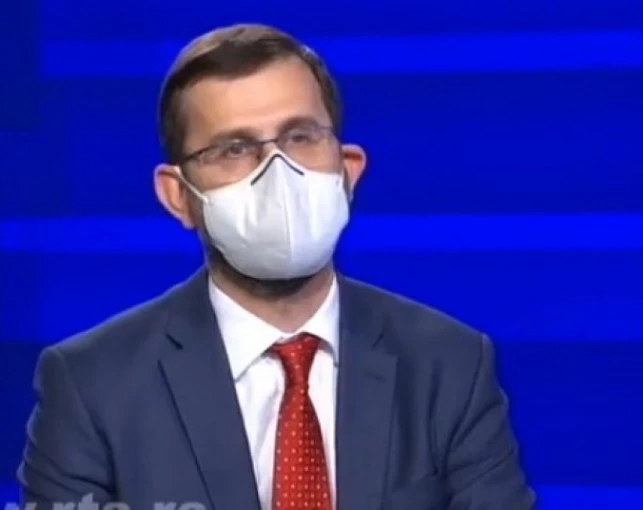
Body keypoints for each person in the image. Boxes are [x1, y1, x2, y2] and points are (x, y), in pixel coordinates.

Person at [18, 24, 535, 510]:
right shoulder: (92, 385)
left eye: (300, 137)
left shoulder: (450, 364)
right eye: (234, 149)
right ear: (178, 196)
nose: (277, 171)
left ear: (348, 170)